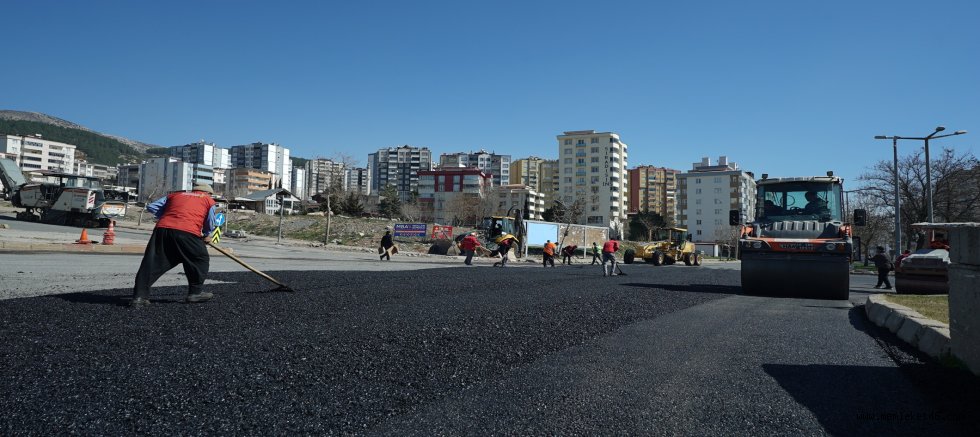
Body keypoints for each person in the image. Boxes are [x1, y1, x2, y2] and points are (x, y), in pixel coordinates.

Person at [131, 184, 218, 307]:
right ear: (208, 193)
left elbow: (151, 207)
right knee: (199, 258)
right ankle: (195, 293)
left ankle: (139, 297)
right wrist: (207, 234)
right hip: (188, 230)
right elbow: (210, 221)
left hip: (162, 229)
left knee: (152, 262)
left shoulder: (175, 195)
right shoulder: (208, 200)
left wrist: (170, 215)